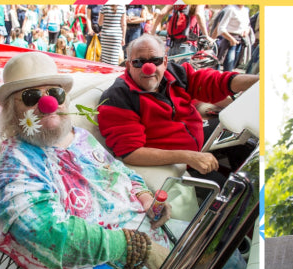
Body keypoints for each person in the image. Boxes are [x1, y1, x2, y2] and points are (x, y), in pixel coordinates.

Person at [0, 51, 172, 269]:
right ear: (12, 110)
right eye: (30, 97)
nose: (47, 103)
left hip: (163, 239)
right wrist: (138, 248)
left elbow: (120, 171)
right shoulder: (15, 164)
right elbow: (47, 234)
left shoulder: (81, 136)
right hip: (127, 268)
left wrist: (145, 197)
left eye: (55, 92)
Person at [97, 33, 257, 178]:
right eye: (139, 62)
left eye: (156, 60)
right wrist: (188, 156)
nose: (148, 68)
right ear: (129, 65)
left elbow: (212, 82)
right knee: (225, 187)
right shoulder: (118, 97)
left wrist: (257, 82)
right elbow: (131, 152)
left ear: (165, 62)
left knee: (244, 142)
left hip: (198, 144)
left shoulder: (175, 73)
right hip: (177, 164)